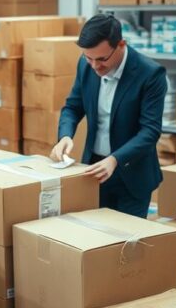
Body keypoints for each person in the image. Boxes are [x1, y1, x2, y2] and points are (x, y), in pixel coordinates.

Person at [51, 14, 166, 218]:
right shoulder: (85, 65)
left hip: (132, 174)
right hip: (94, 170)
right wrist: (65, 136)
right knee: (95, 238)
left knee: (126, 243)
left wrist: (115, 159)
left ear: (121, 45)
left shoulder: (150, 74)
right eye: (89, 58)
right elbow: (72, 107)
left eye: (102, 59)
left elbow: (150, 131)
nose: (95, 66)